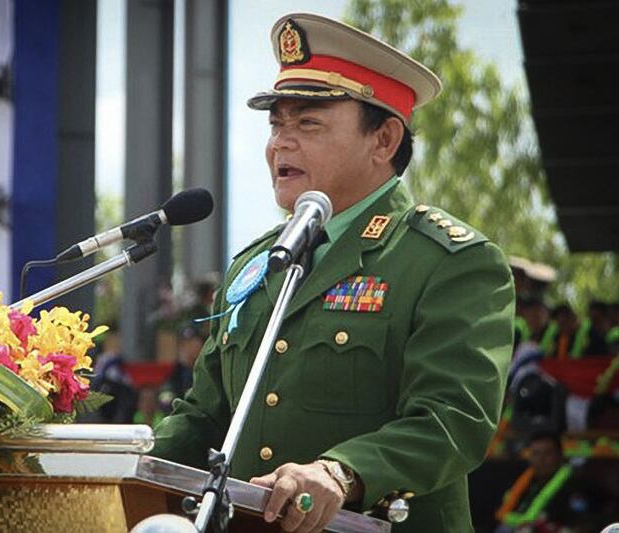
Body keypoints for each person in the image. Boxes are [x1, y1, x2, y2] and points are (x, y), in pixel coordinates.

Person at [151, 13, 514, 533]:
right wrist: (105, 460)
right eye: (276, 124)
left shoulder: (450, 262)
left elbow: (452, 420)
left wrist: (342, 473)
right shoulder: (256, 265)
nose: (281, 143)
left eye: (308, 123)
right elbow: (205, 417)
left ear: (384, 140)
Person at [495, 431, 598, 532]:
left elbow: (580, 524)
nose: (540, 459)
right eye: (535, 453)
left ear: (560, 456)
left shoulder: (574, 486)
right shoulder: (525, 481)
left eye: (547, 453)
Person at [158, 324, 207, 413]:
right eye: (186, 344)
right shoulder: (176, 374)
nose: (191, 347)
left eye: (195, 342)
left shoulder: (207, 370)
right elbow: (165, 400)